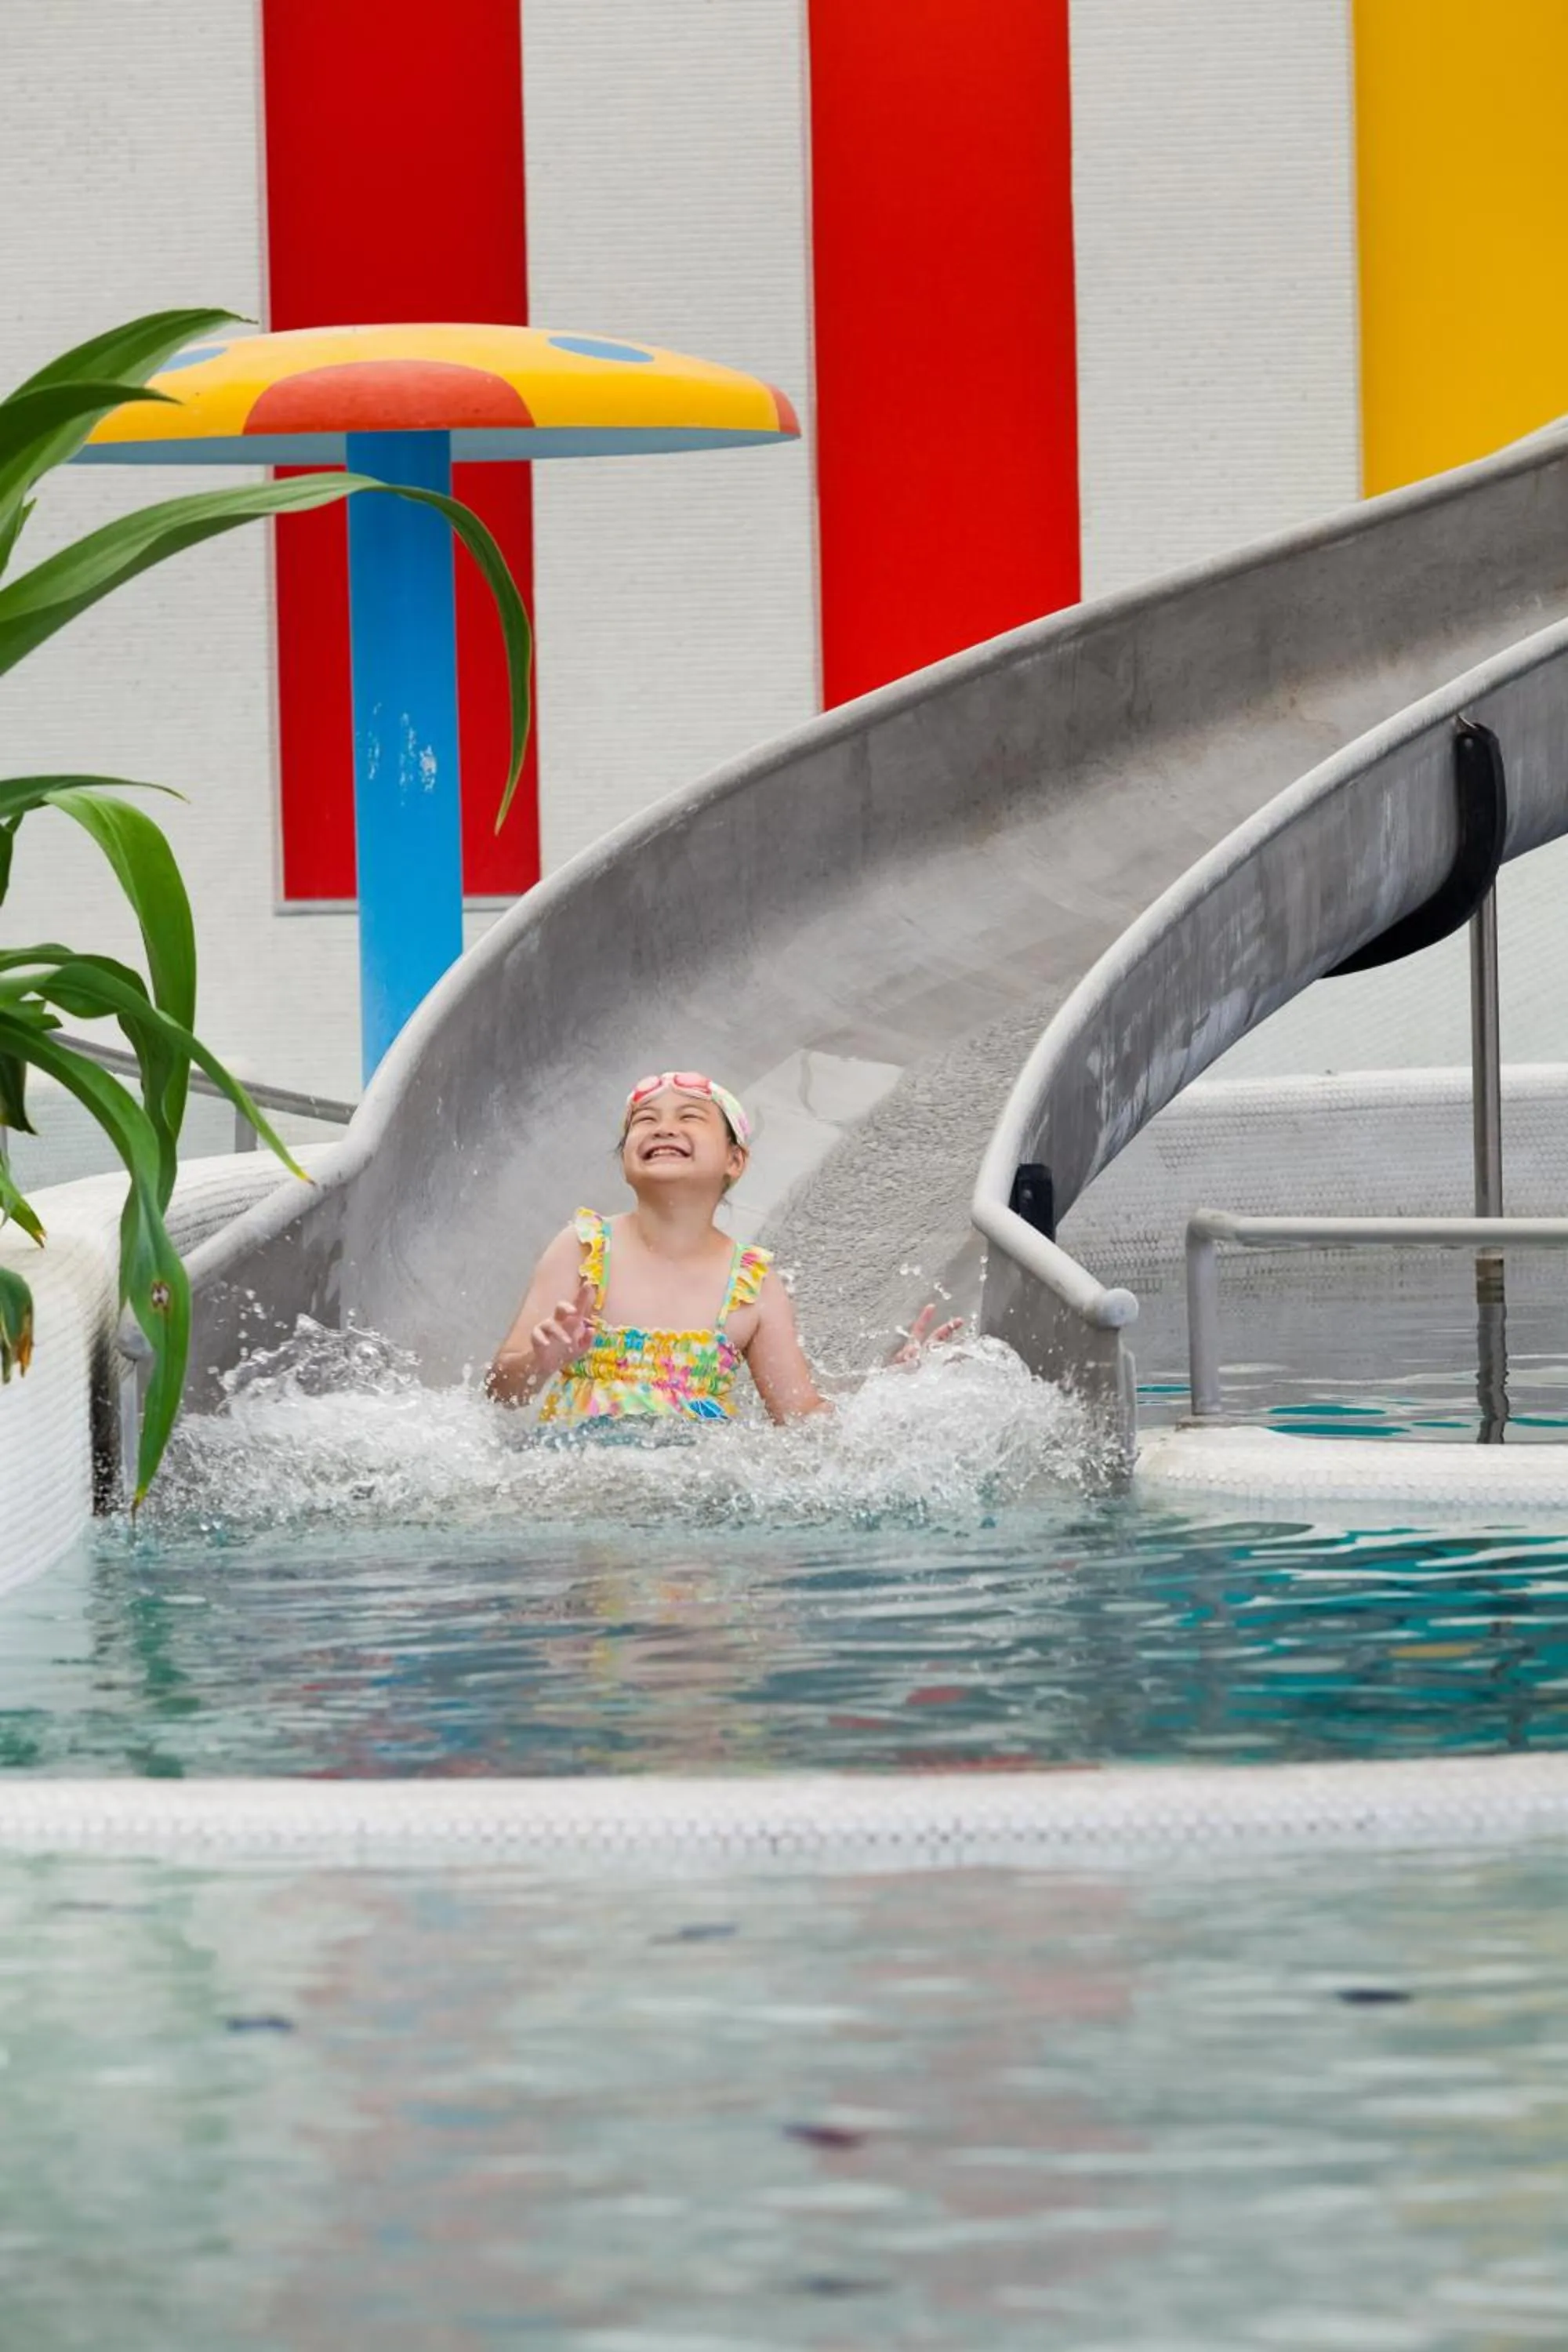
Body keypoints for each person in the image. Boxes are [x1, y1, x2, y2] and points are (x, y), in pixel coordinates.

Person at [487, 1070, 959, 1426]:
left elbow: (800, 1418)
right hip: (581, 1480)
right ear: (626, 1161)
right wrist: (541, 1361)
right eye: (645, 1120)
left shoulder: (752, 1285)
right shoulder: (584, 1249)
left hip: (695, 1493)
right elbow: (501, 1391)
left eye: (689, 1117)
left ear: (735, 1160)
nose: (664, 1127)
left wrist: (889, 1399)